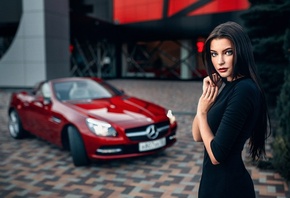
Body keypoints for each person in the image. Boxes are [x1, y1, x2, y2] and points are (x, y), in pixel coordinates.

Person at [192, 21, 271, 198]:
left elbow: (217, 155)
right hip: (212, 185)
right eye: (214, 54)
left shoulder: (244, 89)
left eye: (227, 52)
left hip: (228, 189)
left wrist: (203, 113)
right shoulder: (226, 85)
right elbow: (198, 136)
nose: (219, 61)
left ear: (240, 52)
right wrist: (205, 97)